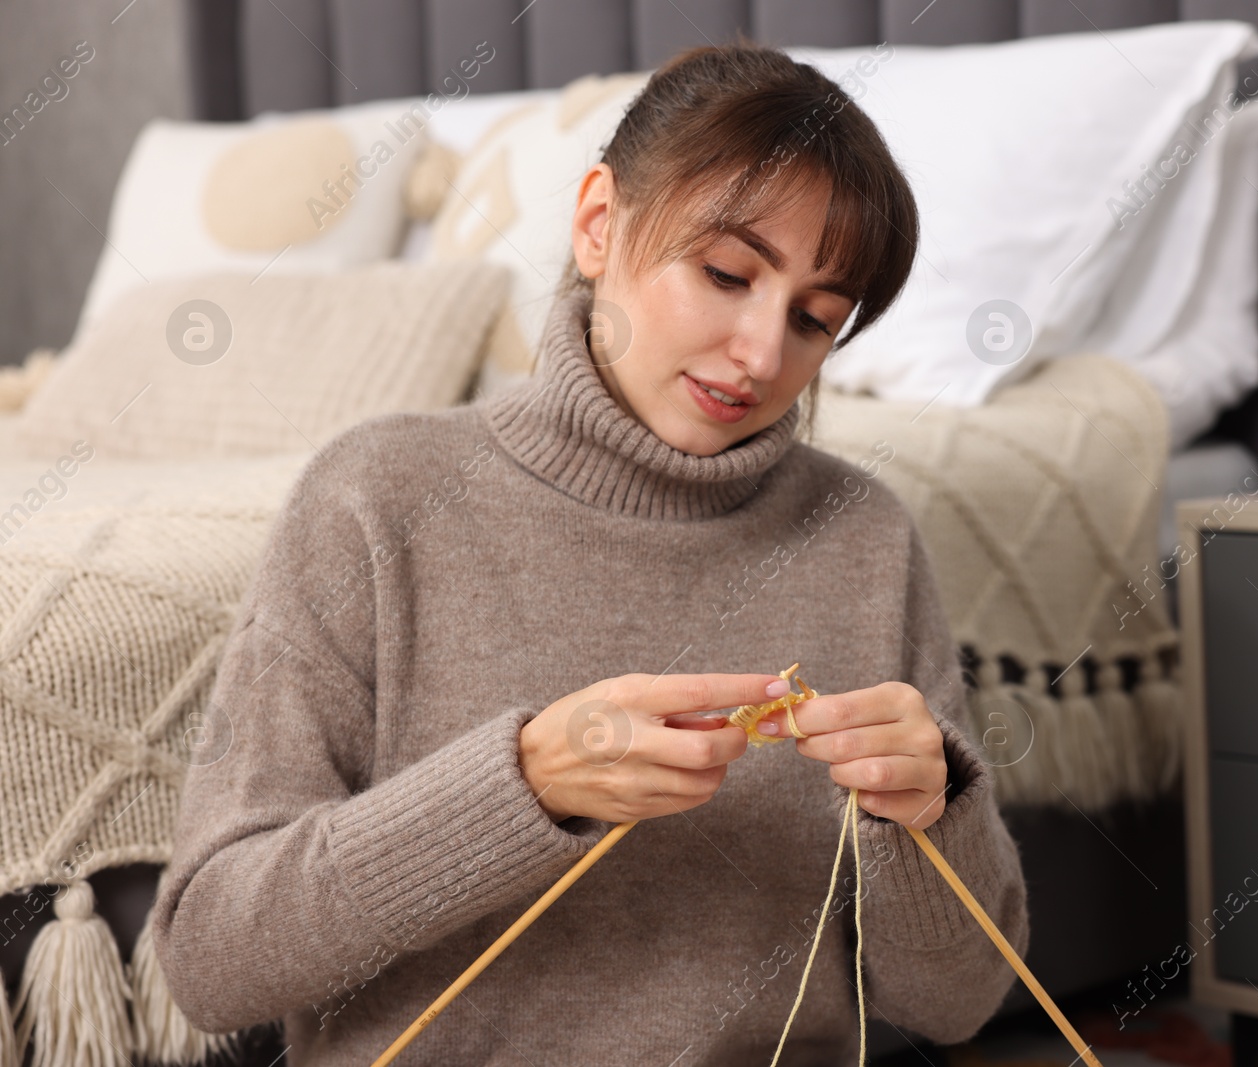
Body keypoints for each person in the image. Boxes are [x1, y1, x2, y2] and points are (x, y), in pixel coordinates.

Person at [152, 42, 1028, 1066]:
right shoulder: (372, 499)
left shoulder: (864, 537)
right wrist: (524, 783)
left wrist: (930, 813)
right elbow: (212, 960)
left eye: (813, 319)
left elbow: (960, 1001)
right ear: (598, 223)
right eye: (725, 273)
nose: (760, 353)